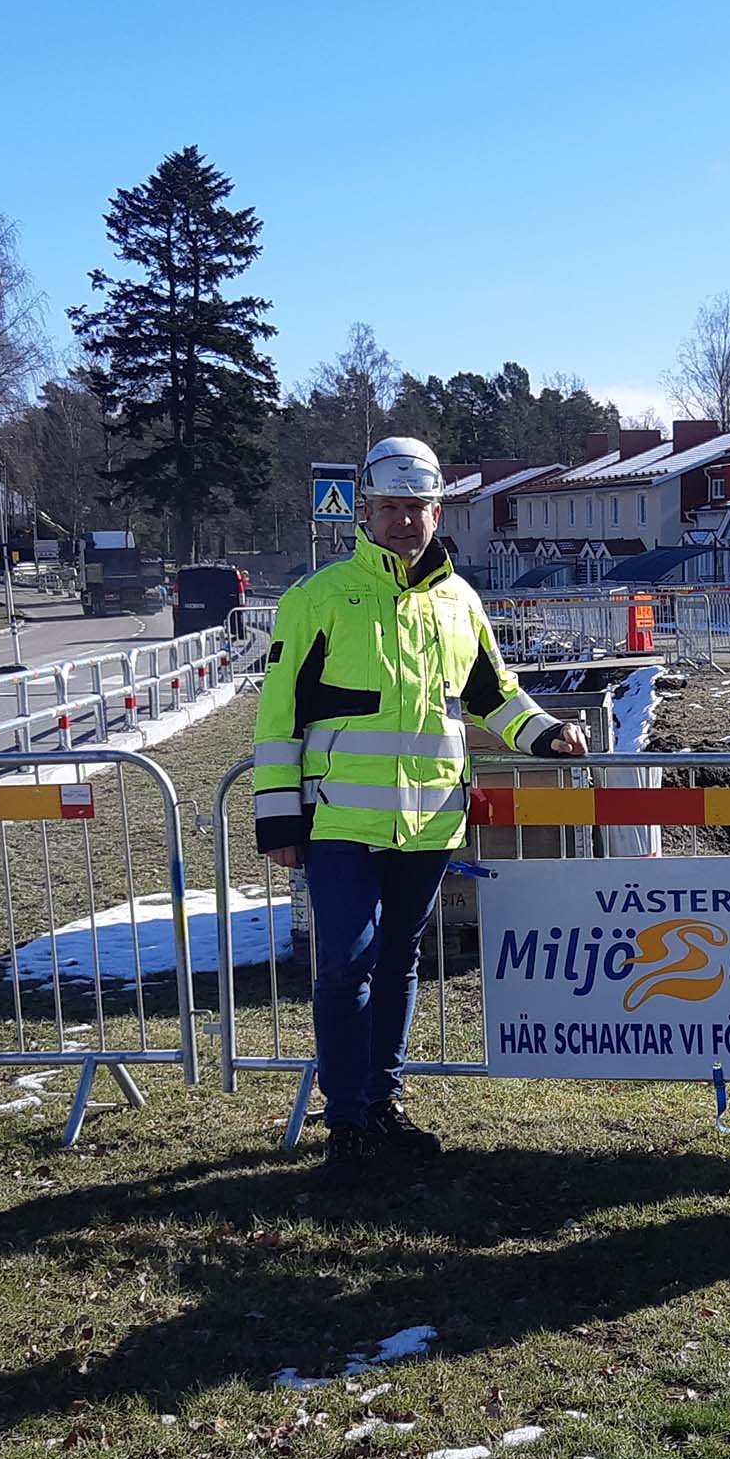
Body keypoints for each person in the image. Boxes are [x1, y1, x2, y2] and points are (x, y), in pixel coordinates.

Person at [253, 435, 591, 1169]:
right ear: (364, 512)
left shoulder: (460, 601)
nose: (406, 521)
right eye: (391, 507)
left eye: (419, 507)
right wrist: (278, 815)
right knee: (345, 964)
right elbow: (277, 716)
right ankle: (345, 1124)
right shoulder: (317, 599)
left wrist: (547, 736)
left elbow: (493, 695)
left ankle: (383, 1104)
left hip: (431, 821)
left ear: (439, 512)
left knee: (401, 960)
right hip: (340, 819)